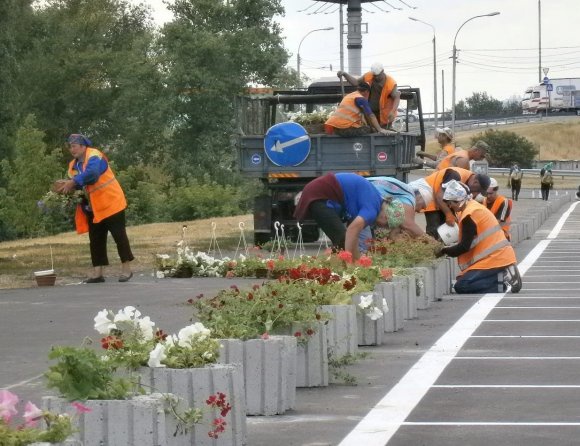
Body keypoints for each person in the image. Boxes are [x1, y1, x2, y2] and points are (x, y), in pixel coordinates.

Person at [59, 134, 134, 283]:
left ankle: (126, 269)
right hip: (92, 207)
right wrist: (65, 187)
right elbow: (79, 185)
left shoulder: (94, 155)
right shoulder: (72, 166)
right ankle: (98, 273)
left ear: (83, 146)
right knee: (95, 239)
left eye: (74, 146)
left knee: (119, 236)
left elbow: (92, 175)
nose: (71, 149)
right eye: (70, 146)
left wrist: (73, 182)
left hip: (111, 202)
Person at [293, 172, 406, 260]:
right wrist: (357, 261)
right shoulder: (372, 209)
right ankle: (351, 269)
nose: (382, 227)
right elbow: (351, 231)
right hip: (320, 195)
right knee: (342, 239)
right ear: (386, 217)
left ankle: (339, 269)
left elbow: (354, 232)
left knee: (341, 243)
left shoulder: (375, 199)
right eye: (386, 225)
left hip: (321, 192)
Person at [436, 180, 522, 294]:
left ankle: (500, 284)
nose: (449, 206)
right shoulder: (472, 207)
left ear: (458, 201)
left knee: (462, 286)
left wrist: (443, 251)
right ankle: (500, 278)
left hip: (495, 257)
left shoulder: (469, 215)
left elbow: (463, 247)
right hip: (495, 256)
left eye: (450, 203)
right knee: (462, 280)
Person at [409, 167, 491, 240]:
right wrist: (448, 214)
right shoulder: (455, 175)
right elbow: (439, 196)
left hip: (438, 201)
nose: (475, 192)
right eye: (477, 190)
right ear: (475, 182)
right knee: (434, 229)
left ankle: (438, 249)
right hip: (426, 194)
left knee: (444, 228)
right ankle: (429, 250)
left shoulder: (466, 179)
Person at [337, 62, 400, 128]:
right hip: (370, 113)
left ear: (383, 71)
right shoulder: (369, 75)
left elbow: (397, 96)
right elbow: (356, 82)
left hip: (385, 116)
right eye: (375, 75)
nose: (376, 77)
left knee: (384, 133)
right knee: (372, 131)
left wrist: (393, 111)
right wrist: (345, 74)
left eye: (378, 75)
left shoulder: (391, 83)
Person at [325, 81, 392, 137]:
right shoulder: (360, 98)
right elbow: (371, 116)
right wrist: (380, 129)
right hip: (345, 128)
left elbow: (360, 117)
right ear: (366, 91)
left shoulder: (350, 96)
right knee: (370, 130)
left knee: (364, 127)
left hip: (335, 128)